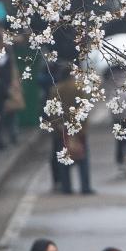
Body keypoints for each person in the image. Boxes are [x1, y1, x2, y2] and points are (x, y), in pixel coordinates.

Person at [47, 65, 94, 194]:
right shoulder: (79, 87)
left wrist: (57, 126)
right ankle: (85, 186)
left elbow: (53, 112)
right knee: (82, 158)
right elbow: (85, 108)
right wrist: (83, 127)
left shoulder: (55, 89)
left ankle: (66, 187)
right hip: (79, 128)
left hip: (62, 129)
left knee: (64, 159)